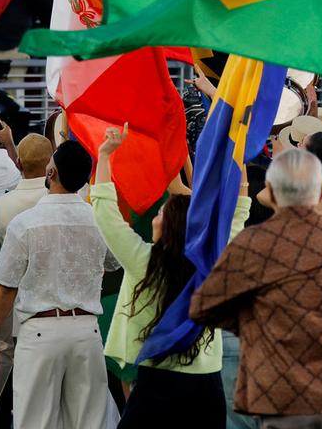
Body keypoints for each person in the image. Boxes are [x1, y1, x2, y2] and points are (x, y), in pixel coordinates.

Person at [190, 150, 322, 428]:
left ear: (270, 192)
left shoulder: (252, 243)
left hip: (281, 394)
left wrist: (256, 323)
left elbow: (203, 307)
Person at [90, 125, 250, 428]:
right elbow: (239, 210)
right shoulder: (213, 261)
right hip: (206, 384)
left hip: (157, 382)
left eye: (162, 213)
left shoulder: (145, 261)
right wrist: (239, 154)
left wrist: (105, 154)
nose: (156, 217)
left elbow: (105, 214)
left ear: (172, 226)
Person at [0, 140, 118, 429]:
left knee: (36, 422)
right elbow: (114, 263)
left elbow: (5, 289)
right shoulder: (98, 221)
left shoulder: (26, 223)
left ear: (51, 171)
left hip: (40, 332)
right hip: (87, 329)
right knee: (91, 423)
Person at [0, 132, 50, 405]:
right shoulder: (68, 198)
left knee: (6, 351)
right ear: (51, 164)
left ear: (19, 164)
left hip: (12, 293)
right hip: (52, 297)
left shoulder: (0, 207)